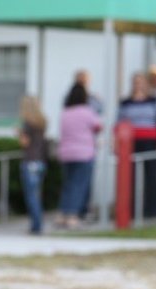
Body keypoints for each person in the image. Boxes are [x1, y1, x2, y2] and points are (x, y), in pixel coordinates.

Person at [56, 83, 102, 229]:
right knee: (79, 185)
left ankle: (62, 215)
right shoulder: (87, 111)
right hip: (84, 153)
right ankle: (72, 215)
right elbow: (99, 126)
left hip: (66, 153)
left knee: (68, 185)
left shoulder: (65, 112)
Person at [118, 73, 156, 218]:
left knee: (152, 176)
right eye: (136, 82)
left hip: (150, 140)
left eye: (141, 82)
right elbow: (118, 123)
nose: (138, 85)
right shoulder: (126, 102)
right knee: (130, 177)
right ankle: (130, 209)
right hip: (130, 142)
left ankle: (151, 210)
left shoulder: (154, 101)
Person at [17, 96, 48, 234]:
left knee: (31, 196)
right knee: (37, 195)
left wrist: (18, 134)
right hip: (41, 162)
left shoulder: (27, 124)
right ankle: (38, 223)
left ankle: (36, 225)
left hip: (30, 161)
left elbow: (24, 143)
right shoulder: (42, 123)